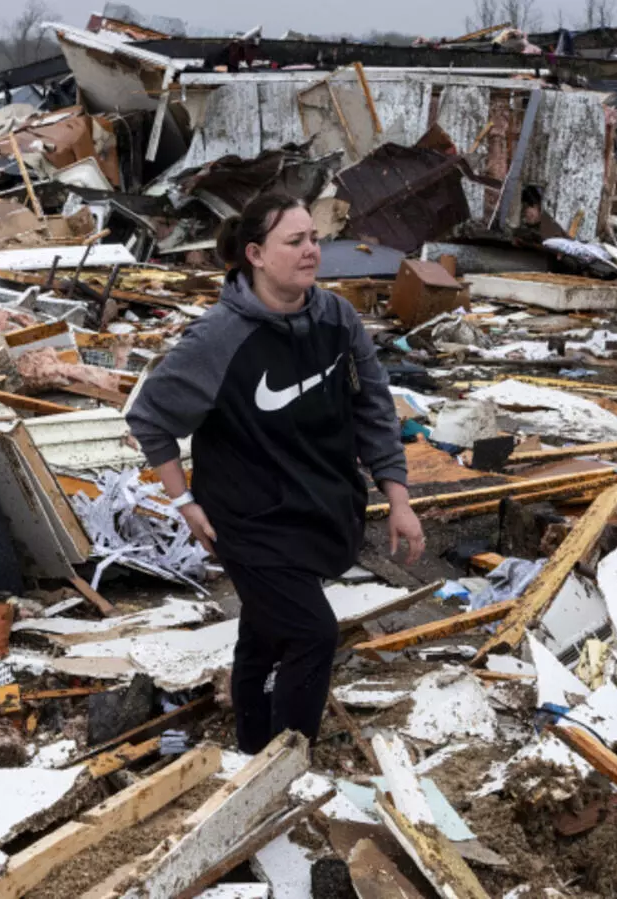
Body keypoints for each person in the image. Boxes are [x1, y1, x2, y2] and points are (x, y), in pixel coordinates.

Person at [126, 193, 425, 754]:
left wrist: (398, 497)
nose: (312, 250)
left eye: (314, 238)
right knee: (312, 633)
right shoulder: (217, 339)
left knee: (263, 634)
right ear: (256, 254)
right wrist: (185, 502)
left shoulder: (336, 317)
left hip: (316, 508)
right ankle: (287, 766)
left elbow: (374, 408)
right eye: (296, 241)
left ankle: (250, 751)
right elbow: (150, 419)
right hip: (247, 518)